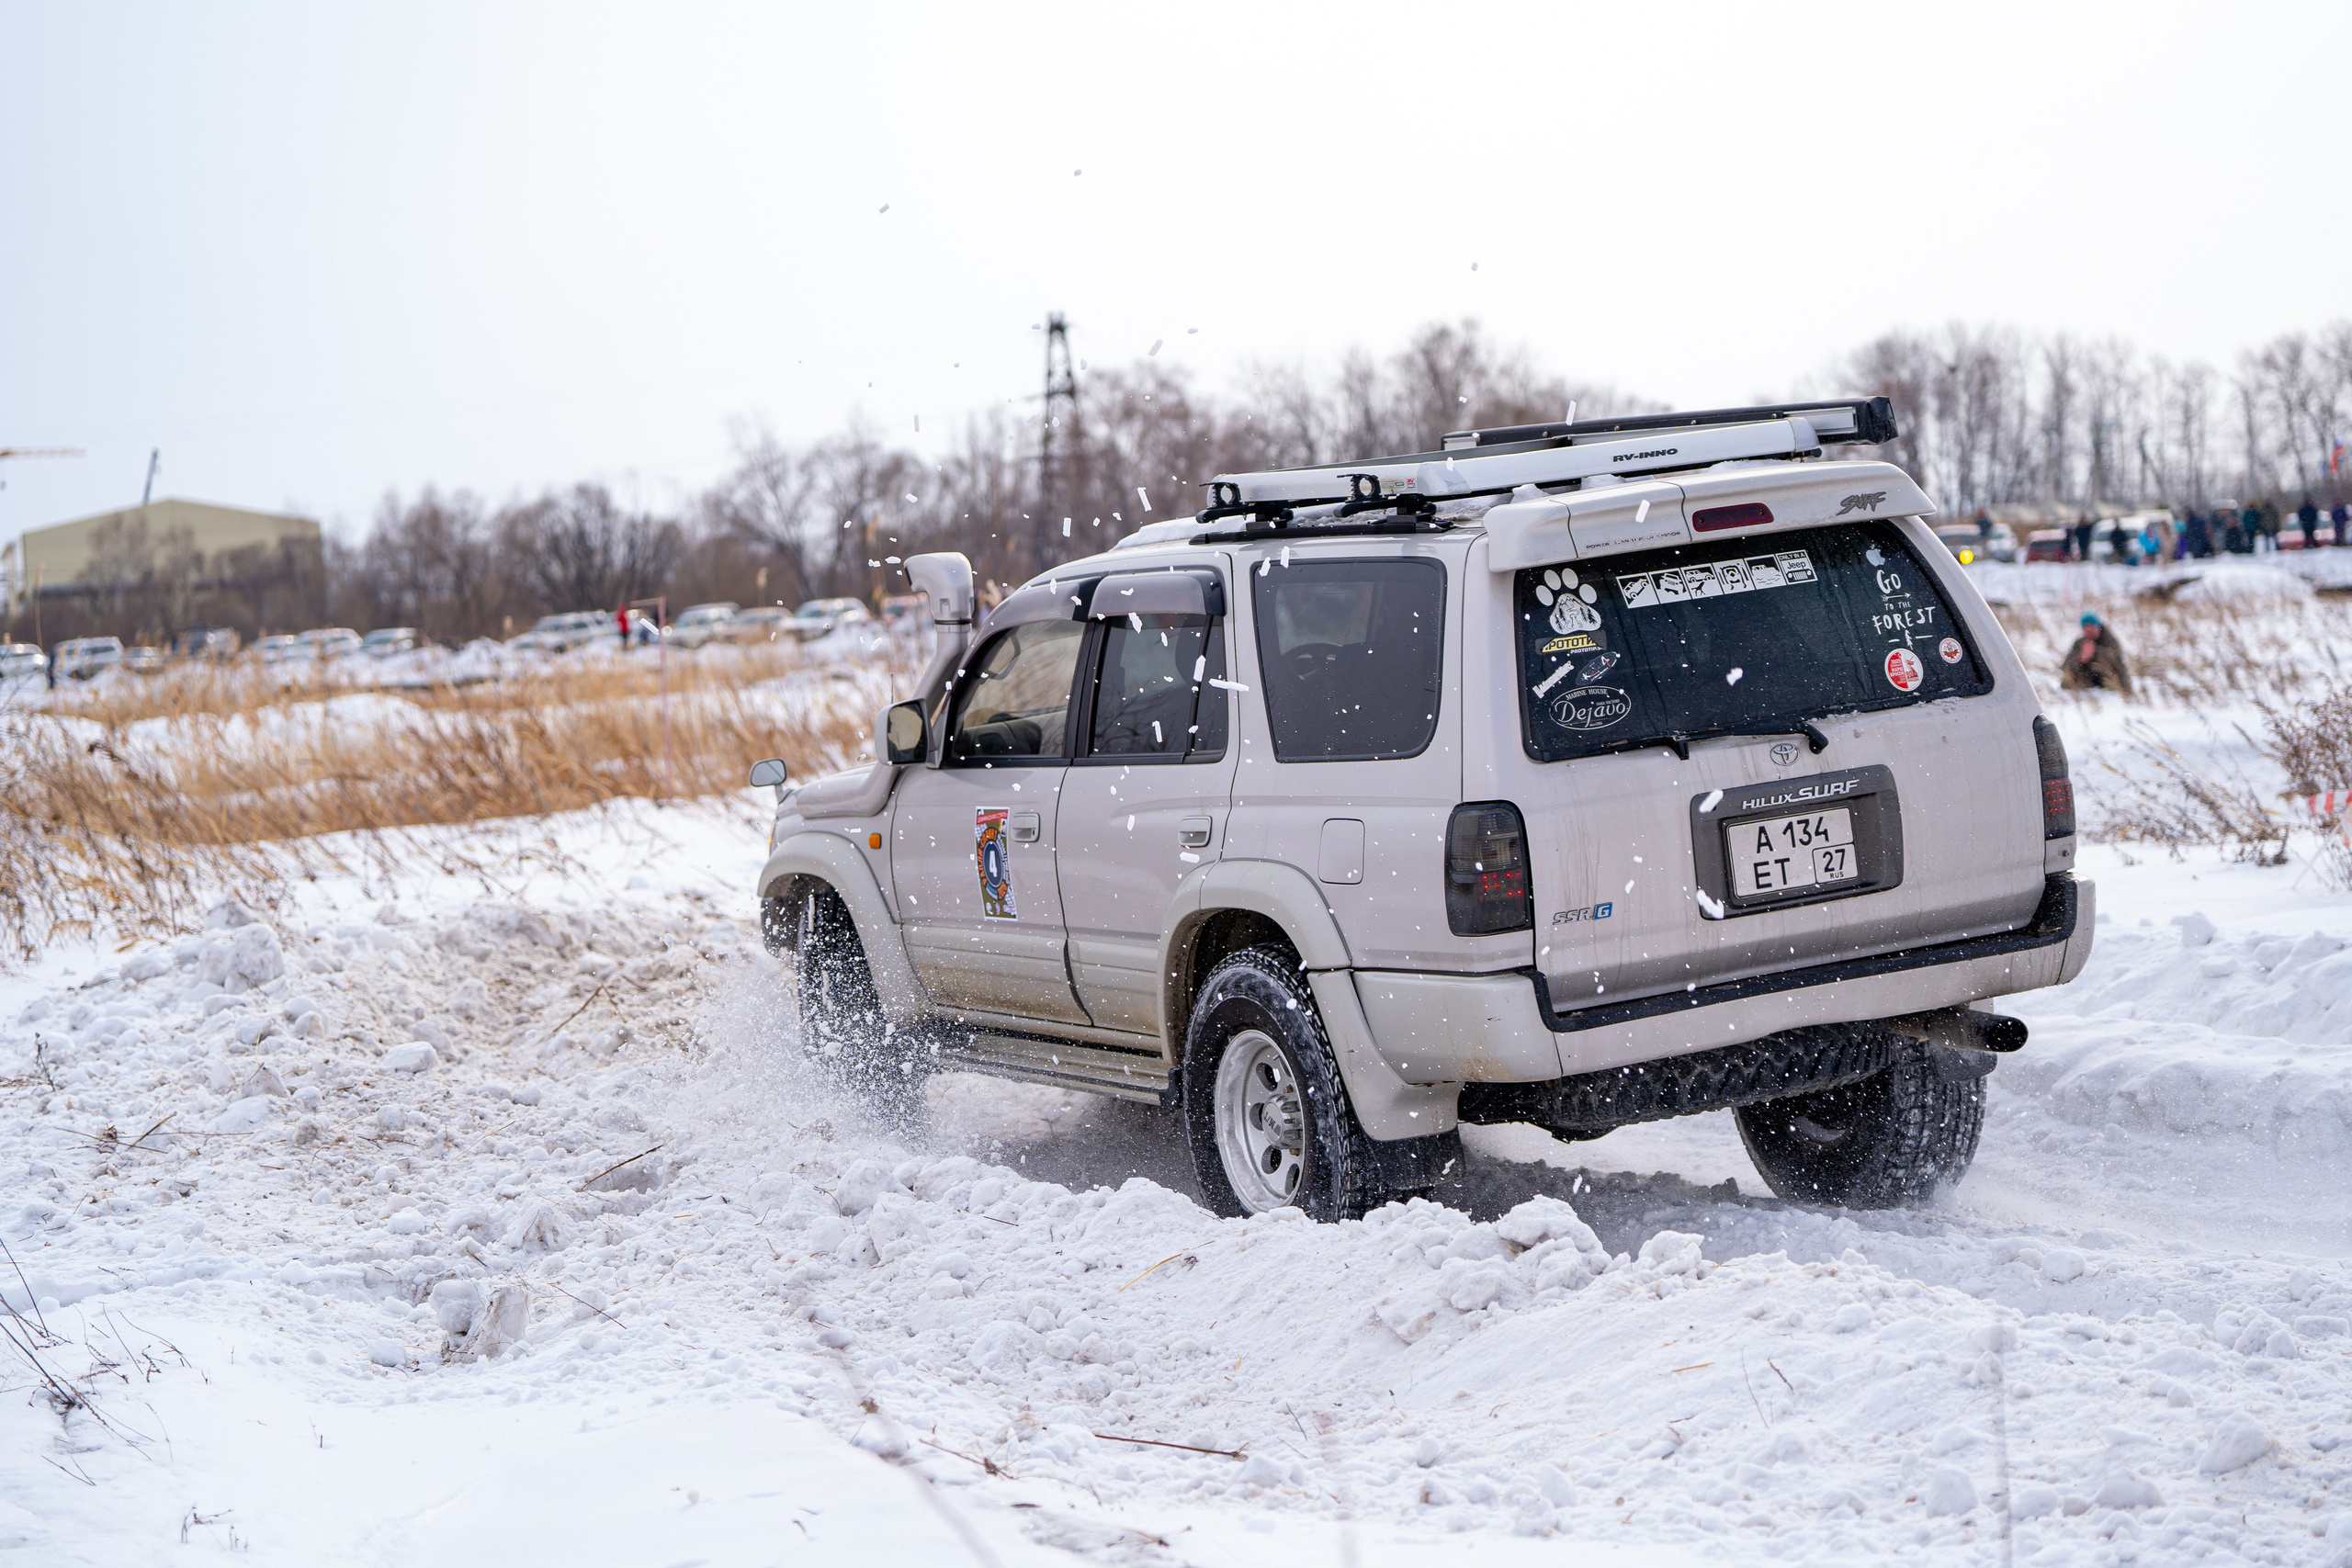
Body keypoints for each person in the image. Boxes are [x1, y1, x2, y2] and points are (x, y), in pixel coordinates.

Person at [2060, 612, 2132, 694]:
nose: (2089, 632)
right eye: (2086, 630)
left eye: (2092, 628)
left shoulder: (2110, 641)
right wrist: (2081, 658)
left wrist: (2095, 652)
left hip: (2111, 688)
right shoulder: (2080, 643)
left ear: (2098, 627)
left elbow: (2116, 662)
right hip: (2086, 687)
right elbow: (2065, 666)